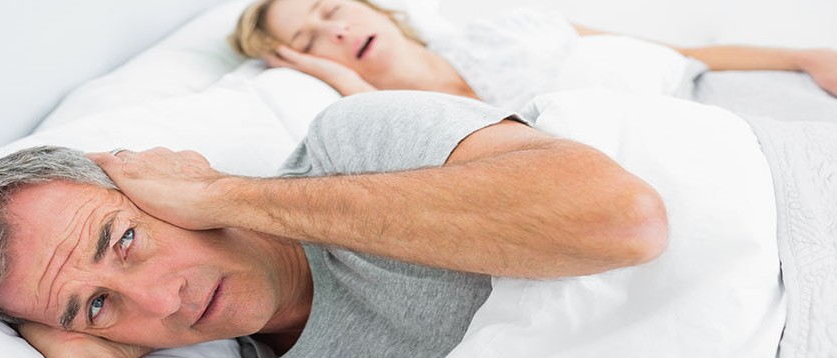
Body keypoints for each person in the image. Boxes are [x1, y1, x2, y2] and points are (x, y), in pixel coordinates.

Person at [0, 91, 669, 358]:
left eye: (125, 240)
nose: (161, 299)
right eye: (95, 303)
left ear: (155, 186)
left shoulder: (358, 141)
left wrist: (225, 193)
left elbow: (623, 221)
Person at [229, 0, 837, 113]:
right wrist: (337, 80)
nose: (331, 34)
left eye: (331, 9)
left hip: (714, 100)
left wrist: (803, 55)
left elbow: (676, 53)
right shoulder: (386, 120)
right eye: (307, 42)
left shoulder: (516, 28)